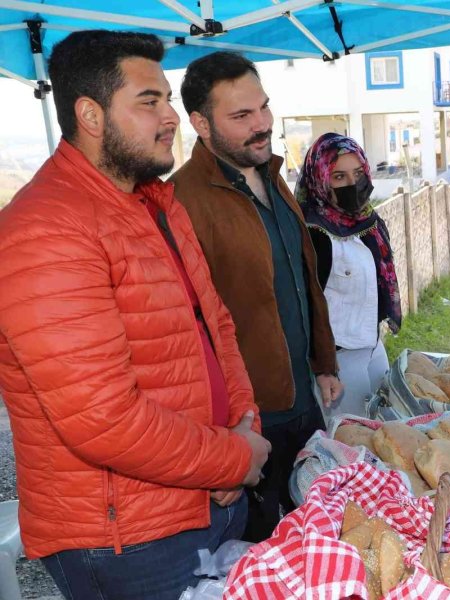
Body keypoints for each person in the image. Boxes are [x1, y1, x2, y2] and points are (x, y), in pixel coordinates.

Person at [0, 31, 272, 599]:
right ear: (91, 115)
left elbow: (215, 327)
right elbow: (103, 419)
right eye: (149, 101)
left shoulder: (154, 204)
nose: (171, 116)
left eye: (168, 99)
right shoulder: (46, 229)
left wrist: (242, 431)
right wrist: (231, 460)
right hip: (127, 543)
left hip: (206, 498)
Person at [171, 51, 342, 544]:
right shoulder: (181, 200)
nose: (262, 124)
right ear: (201, 123)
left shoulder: (270, 174)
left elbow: (302, 276)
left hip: (304, 399)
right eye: (242, 116)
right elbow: (187, 332)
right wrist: (223, 436)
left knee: (319, 537)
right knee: (266, 552)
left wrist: (324, 361)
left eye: (263, 108)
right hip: (248, 423)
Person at [295, 133, 402, 416]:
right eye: (339, 177)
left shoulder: (369, 222)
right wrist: (323, 367)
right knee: (350, 442)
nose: (352, 185)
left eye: (357, 173)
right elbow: (305, 308)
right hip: (339, 363)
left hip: (374, 347)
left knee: (383, 430)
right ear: (320, 180)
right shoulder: (313, 233)